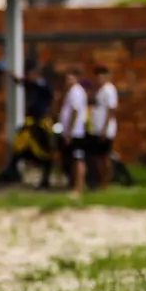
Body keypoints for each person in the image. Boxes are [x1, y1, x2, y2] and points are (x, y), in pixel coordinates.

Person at [0, 64, 57, 188]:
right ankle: (11, 172)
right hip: (30, 123)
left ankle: (45, 179)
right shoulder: (32, 85)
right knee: (18, 147)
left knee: (45, 150)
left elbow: (52, 99)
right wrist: (8, 73)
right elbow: (20, 81)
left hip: (41, 123)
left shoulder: (44, 86)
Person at [58, 68, 89, 199]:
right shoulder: (71, 92)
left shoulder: (76, 92)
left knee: (78, 159)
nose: (68, 81)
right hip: (71, 131)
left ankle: (79, 187)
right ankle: (75, 184)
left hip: (76, 132)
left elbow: (75, 112)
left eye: (70, 78)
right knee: (72, 159)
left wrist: (69, 131)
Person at [89, 65, 119, 190]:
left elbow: (111, 110)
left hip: (105, 130)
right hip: (97, 128)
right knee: (98, 157)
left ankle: (106, 183)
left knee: (105, 156)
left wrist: (104, 129)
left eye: (101, 76)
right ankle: (100, 181)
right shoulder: (100, 90)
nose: (99, 79)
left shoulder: (109, 90)